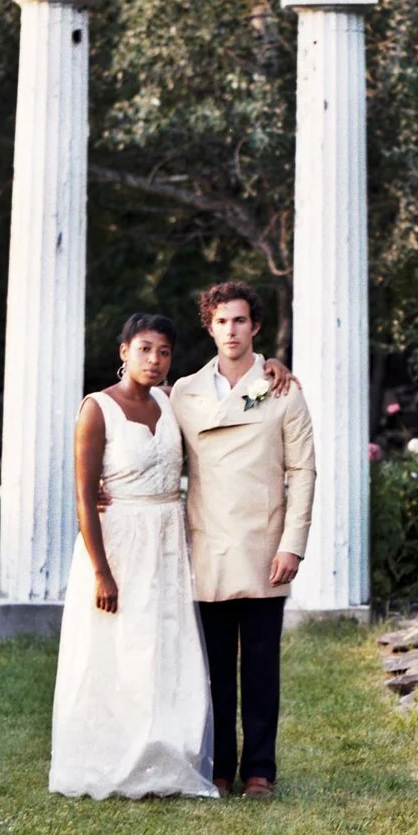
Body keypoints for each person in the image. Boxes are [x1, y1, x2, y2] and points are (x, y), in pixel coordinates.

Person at [48, 314, 219, 799]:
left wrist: (272, 367)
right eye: (145, 349)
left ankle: (165, 754)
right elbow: (85, 496)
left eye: (164, 352)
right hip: (120, 543)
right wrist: (101, 572)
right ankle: (111, 757)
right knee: (121, 647)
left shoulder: (170, 400)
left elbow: (226, 381)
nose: (155, 360)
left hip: (167, 539)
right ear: (124, 351)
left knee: (164, 644)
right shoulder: (97, 409)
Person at [171, 281, 316, 799]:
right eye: (221, 321)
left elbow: (302, 470)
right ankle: (217, 766)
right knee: (212, 670)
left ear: (255, 326)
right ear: (209, 327)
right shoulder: (185, 392)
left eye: (239, 320)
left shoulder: (278, 388)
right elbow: (154, 447)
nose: (230, 330)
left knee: (259, 667)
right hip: (206, 542)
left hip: (263, 544)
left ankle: (259, 770)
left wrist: (292, 544)